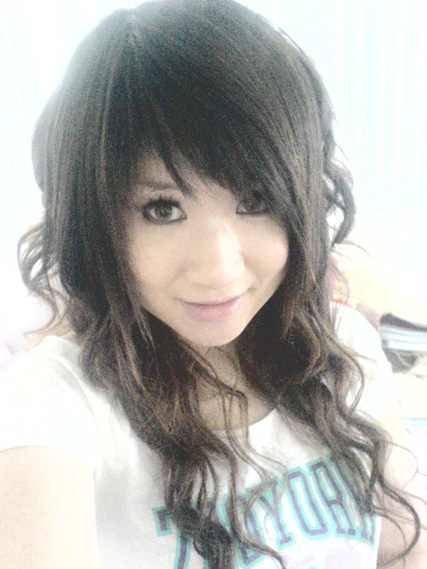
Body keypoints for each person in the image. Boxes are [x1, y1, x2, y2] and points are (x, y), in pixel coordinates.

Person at [0, 1, 425, 567]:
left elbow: (403, 548)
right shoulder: (58, 400)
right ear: (95, 222)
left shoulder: (343, 346)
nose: (220, 269)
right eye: (161, 209)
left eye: (255, 200)